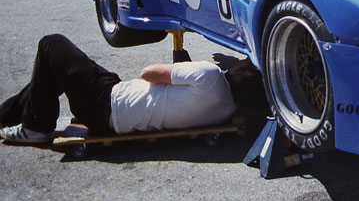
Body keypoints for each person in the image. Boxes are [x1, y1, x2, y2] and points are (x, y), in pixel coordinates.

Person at [0, 34, 264, 144]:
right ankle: (7, 115)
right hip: (113, 101)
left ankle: (36, 127)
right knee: (53, 73)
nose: (240, 61)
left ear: (244, 73)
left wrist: (184, 70)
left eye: (245, 63)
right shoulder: (227, 108)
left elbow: (148, 73)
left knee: (51, 45)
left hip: (107, 102)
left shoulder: (210, 76)